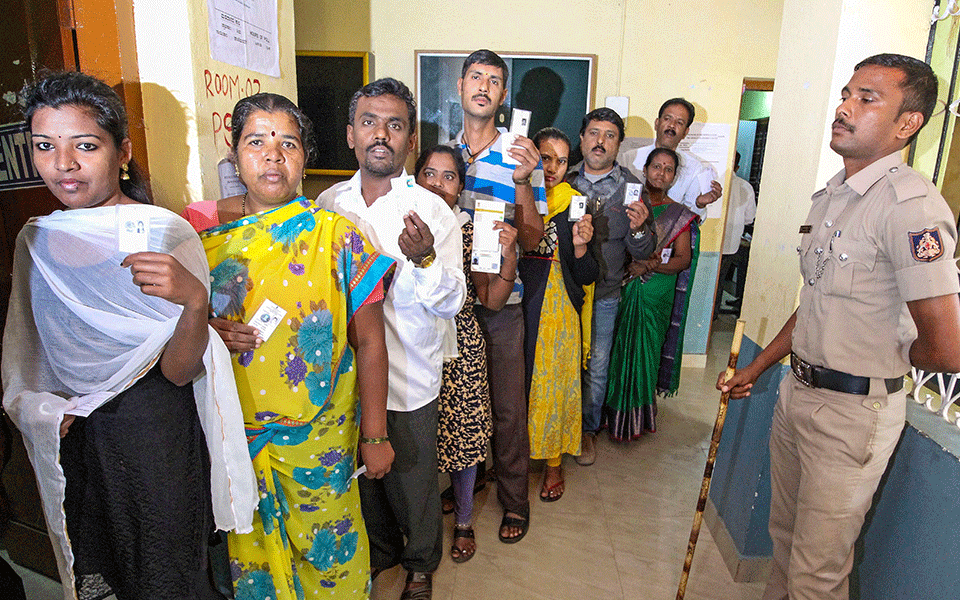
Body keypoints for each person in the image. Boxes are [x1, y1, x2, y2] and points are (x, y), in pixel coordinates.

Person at [3, 71, 255, 600]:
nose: (63, 164)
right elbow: (32, 357)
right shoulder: (37, 241)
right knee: (103, 569)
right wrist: (47, 407)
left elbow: (179, 372)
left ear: (122, 152)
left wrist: (195, 301)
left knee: (168, 576)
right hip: (80, 442)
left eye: (85, 145)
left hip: (153, 439)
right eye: (45, 146)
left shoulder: (163, 232)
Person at [718, 54, 960, 600]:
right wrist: (759, 366)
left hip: (853, 414)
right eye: (846, 94)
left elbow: (947, 349)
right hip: (798, 394)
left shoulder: (912, 208)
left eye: (866, 99)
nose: (844, 107)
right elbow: (817, 301)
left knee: (818, 573)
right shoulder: (833, 196)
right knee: (785, 545)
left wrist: (883, 355)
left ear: (907, 123)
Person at [184, 92, 396, 600]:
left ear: (305, 157)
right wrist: (205, 327)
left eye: (288, 143)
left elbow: (370, 342)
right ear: (235, 153)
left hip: (321, 436)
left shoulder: (338, 237)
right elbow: (173, 331)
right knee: (255, 556)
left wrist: (375, 436)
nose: (272, 156)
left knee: (330, 556)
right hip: (238, 433)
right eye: (256, 142)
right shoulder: (200, 236)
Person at [319, 78, 465, 600]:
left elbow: (452, 302)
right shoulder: (328, 204)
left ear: (410, 140)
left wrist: (424, 259)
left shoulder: (432, 211)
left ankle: (421, 563)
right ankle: (380, 551)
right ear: (351, 135)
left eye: (395, 125)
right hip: (343, 374)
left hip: (408, 375)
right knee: (362, 477)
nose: (381, 134)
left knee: (412, 480)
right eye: (369, 122)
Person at [449, 49, 546, 542]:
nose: (483, 86)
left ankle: (514, 500)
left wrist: (523, 181)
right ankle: (465, 483)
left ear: (504, 95)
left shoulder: (520, 153)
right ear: (461, 86)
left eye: (493, 80)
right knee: (456, 403)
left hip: (503, 303)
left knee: (508, 409)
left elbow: (533, 239)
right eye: (476, 76)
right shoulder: (442, 154)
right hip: (450, 305)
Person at [414, 144, 517, 562]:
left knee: (464, 434)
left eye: (449, 177)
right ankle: (416, 526)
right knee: (417, 437)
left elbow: (491, 299)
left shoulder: (471, 230)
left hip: (460, 345)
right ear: (415, 178)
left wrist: (509, 256)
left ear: (461, 187)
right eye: (430, 174)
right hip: (408, 343)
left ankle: (464, 520)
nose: (438, 185)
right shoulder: (397, 223)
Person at [566, 107, 656, 466]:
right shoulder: (564, 180)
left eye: (609, 135)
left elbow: (644, 250)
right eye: (594, 133)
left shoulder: (631, 189)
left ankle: (587, 430)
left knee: (597, 365)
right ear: (582, 138)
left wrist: (638, 228)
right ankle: (559, 425)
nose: (600, 142)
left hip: (605, 293)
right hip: (565, 292)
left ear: (618, 144)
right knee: (562, 360)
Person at [521, 128, 598, 500]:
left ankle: (553, 464)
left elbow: (587, 275)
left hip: (558, 308)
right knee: (514, 384)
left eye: (562, 161)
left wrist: (581, 247)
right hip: (516, 300)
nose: (552, 168)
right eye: (545, 158)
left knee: (554, 387)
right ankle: (512, 459)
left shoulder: (574, 204)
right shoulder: (515, 195)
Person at [605, 148, 699, 439]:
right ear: (644, 170)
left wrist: (647, 265)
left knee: (647, 353)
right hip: (624, 285)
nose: (661, 173)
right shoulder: (628, 205)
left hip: (657, 290)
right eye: (656, 166)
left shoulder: (679, 214)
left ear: (674, 177)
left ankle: (638, 418)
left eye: (668, 169)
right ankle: (608, 415)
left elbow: (682, 260)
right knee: (616, 349)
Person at [621, 98, 722, 217]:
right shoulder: (630, 158)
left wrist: (699, 205)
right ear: (657, 123)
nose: (672, 125)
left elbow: (690, 221)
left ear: (685, 132)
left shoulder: (694, 168)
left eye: (679, 122)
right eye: (667, 119)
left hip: (669, 228)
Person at [715, 151, 756, 315]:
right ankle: (714, 315)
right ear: (737, 167)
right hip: (730, 244)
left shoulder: (711, 181)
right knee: (719, 281)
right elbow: (749, 218)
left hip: (708, 241)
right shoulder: (746, 187)